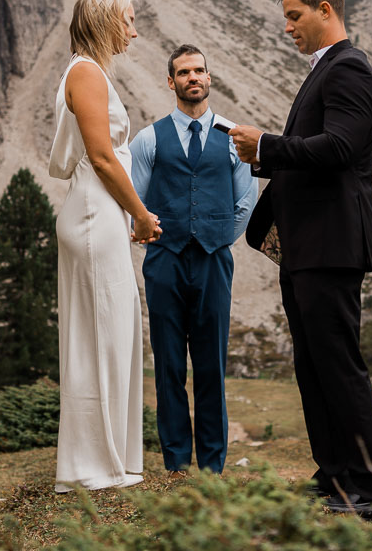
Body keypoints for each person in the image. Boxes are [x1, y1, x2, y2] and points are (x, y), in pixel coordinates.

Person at [230, 0, 372, 522]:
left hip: (331, 246)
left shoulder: (349, 67)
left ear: (326, 10)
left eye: (294, 16)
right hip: (304, 248)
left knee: (339, 366)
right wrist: (263, 155)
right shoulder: (325, 70)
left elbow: (342, 147)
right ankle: (334, 476)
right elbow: (314, 149)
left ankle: (368, 489)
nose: (287, 27)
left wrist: (267, 144)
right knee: (312, 366)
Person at [49, 0, 161, 492]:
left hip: (99, 212)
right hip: (96, 212)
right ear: (103, 21)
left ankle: (108, 460)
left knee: (109, 333)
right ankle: (94, 466)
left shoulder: (87, 72)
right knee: (103, 334)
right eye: (128, 20)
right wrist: (141, 214)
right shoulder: (87, 73)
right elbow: (101, 157)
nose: (134, 32)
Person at [129, 45, 257, 478]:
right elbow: (136, 201)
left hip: (213, 263)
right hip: (164, 262)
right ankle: (177, 465)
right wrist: (156, 236)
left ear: (209, 77)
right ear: (171, 82)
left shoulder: (234, 137)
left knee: (211, 367)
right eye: (183, 72)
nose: (193, 77)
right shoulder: (149, 139)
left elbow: (245, 200)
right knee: (167, 365)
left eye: (199, 70)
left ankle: (213, 468)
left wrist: (217, 238)